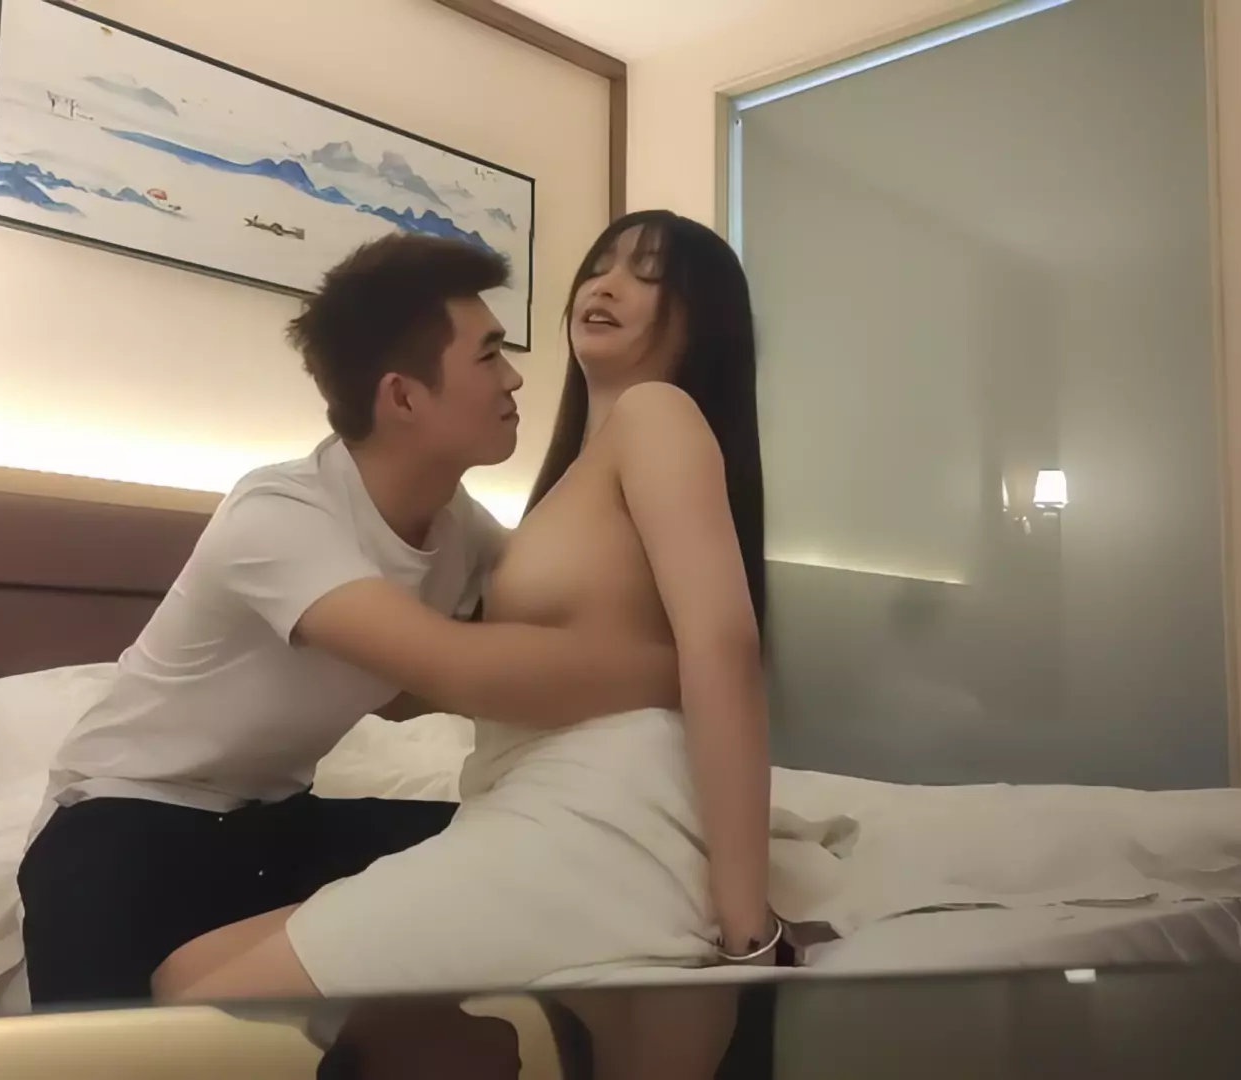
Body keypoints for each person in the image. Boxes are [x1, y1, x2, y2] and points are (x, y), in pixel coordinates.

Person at [16, 234, 684, 1007]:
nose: (513, 377)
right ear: (403, 398)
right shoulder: (278, 514)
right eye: (489, 355)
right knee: (110, 1053)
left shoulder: (458, 524)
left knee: (520, 851)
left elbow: (541, 628)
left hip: (277, 823)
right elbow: (458, 669)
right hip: (124, 821)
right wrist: (684, 668)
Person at [153, 210, 776, 1028]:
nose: (607, 284)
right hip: (522, 795)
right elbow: (450, 672)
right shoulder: (550, 492)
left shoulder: (657, 413)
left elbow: (722, 646)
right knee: (181, 973)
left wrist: (748, 928)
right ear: (401, 396)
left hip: (597, 805)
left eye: (650, 274)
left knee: (198, 1009)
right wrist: (665, 666)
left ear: (702, 318)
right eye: (601, 264)